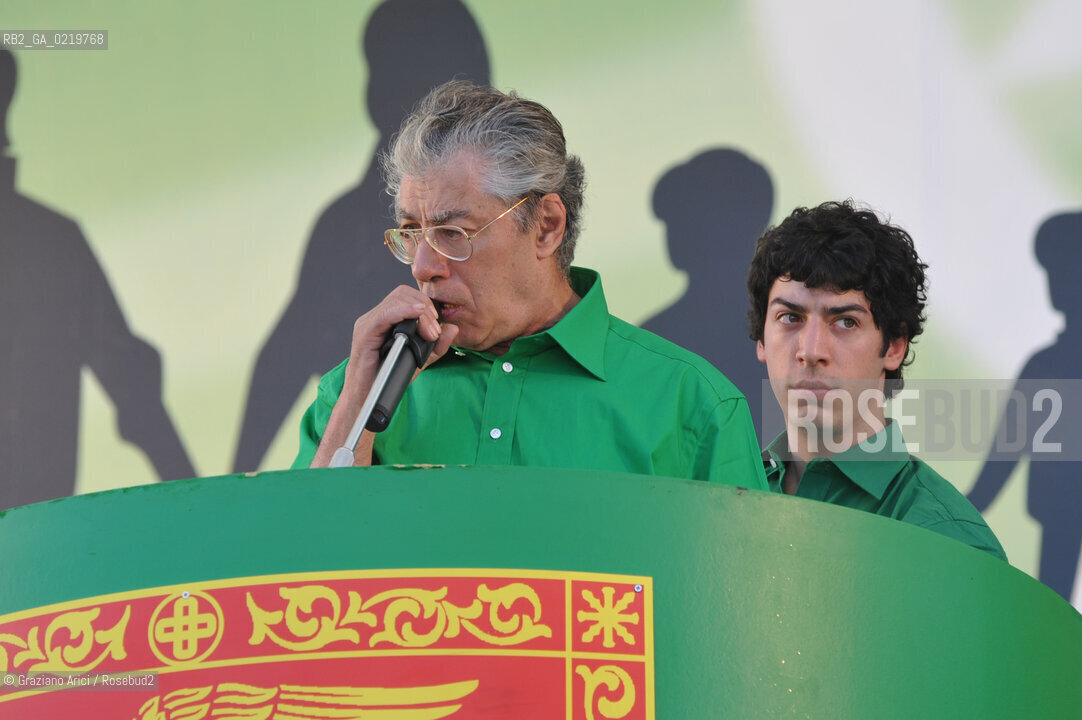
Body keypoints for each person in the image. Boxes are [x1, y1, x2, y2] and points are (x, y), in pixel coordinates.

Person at [292, 80, 766, 490]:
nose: (422, 266)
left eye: (453, 233)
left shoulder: (693, 404)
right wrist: (358, 404)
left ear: (546, 226)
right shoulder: (362, 386)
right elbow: (299, 573)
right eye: (412, 233)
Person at [746, 200, 1006, 559]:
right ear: (761, 339)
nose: (811, 350)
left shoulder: (950, 541)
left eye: (845, 321)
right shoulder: (721, 495)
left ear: (895, 346)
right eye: (790, 317)